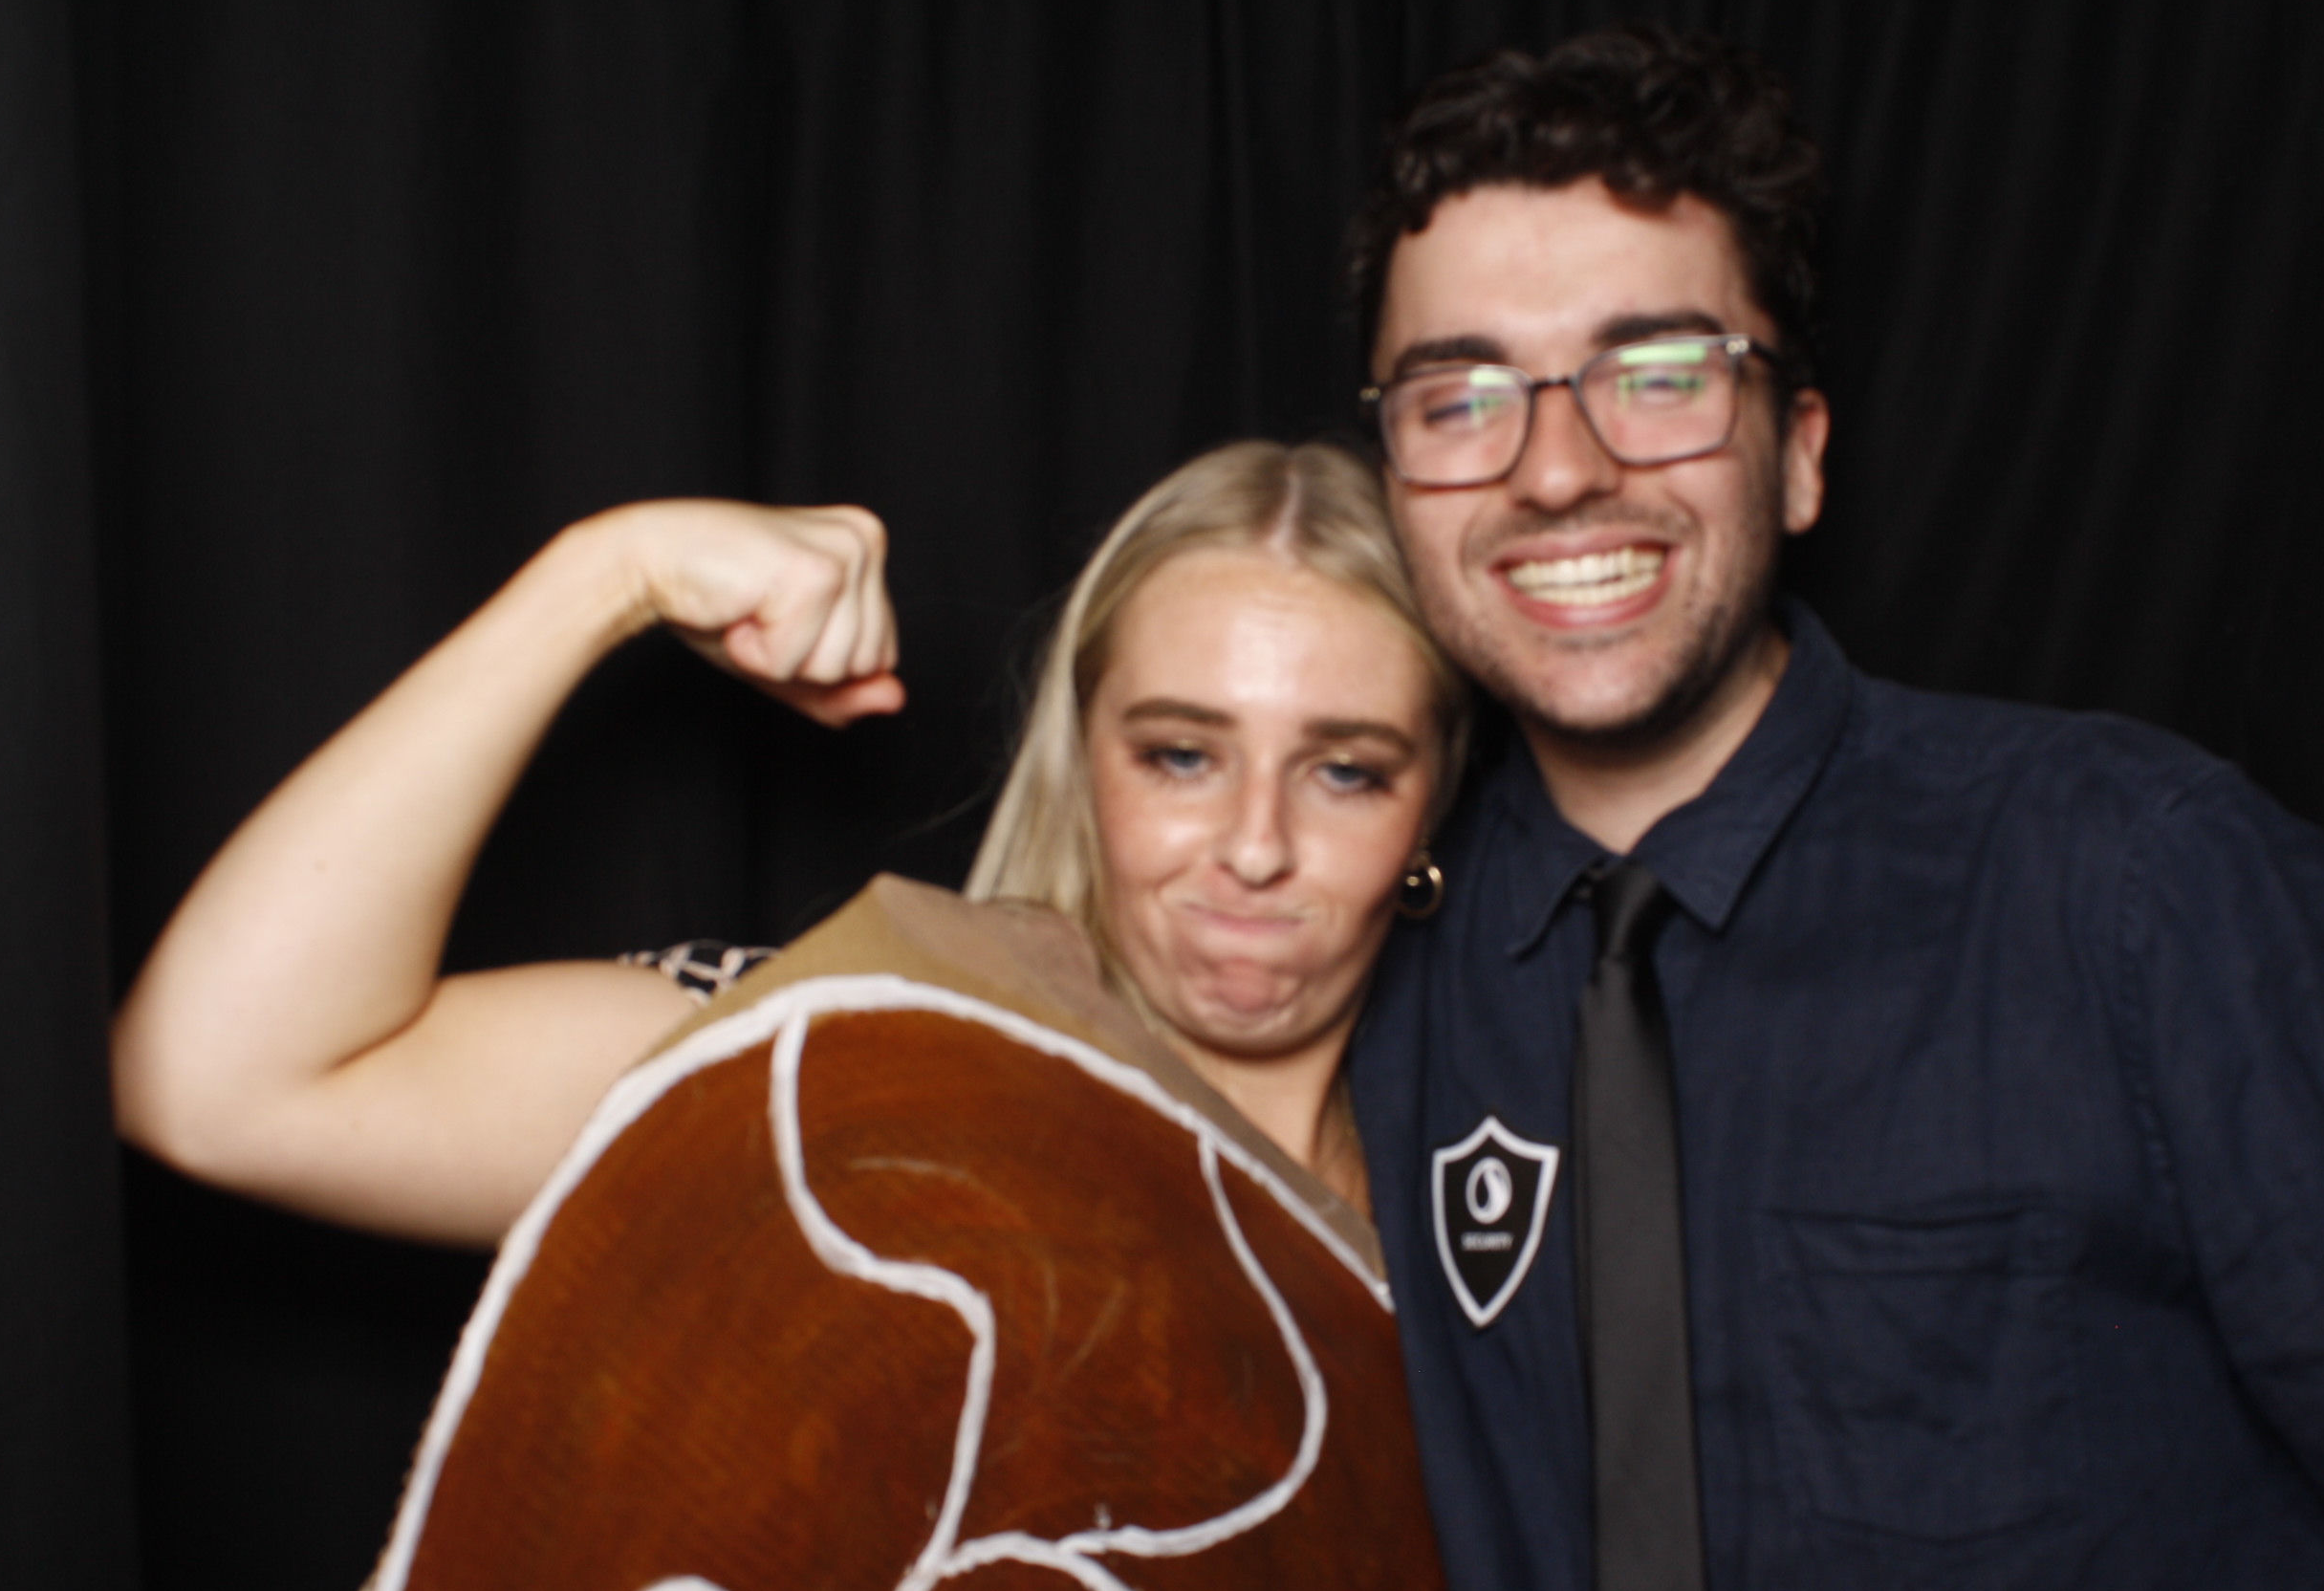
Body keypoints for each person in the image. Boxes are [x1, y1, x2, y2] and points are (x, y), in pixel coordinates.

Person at [1337, 24, 2324, 1591]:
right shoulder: (1376, 965)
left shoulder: (2137, 889)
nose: (1555, 471)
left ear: (1796, 451)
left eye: (1656, 371)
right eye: (1461, 396)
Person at [113, 439, 1466, 1245]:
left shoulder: (1508, 1200)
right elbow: (222, 1084)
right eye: (1181, 755)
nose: (1252, 846)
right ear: (1086, 765)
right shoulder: (851, 1068)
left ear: (1434, 805)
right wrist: (606, 575)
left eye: (1345, 772)